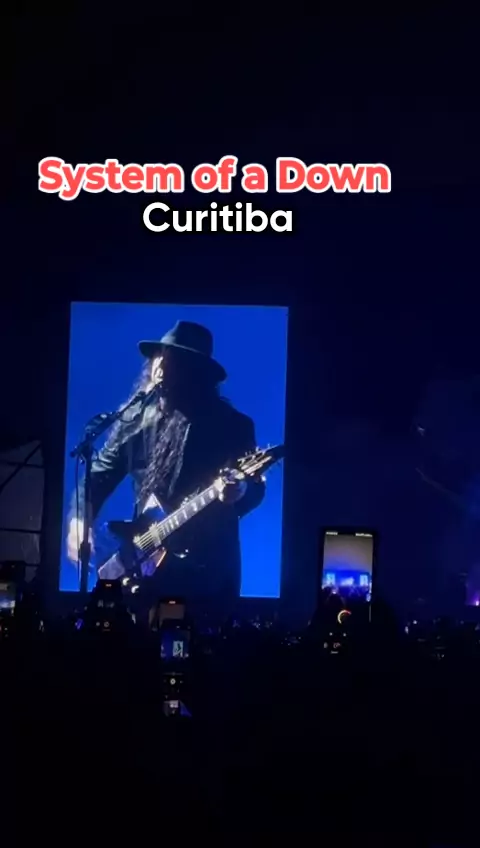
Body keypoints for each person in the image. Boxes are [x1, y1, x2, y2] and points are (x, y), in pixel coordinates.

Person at [67, 320, 265, 620]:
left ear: (196, 372)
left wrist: (240, 491)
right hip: (144, 571)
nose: (160, 366)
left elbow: (253, 489)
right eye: (159, 356)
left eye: (172, 359)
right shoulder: (136, 419)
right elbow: (97, 477)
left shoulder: (232, 425)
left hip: (205, 576)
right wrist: (79, 520)